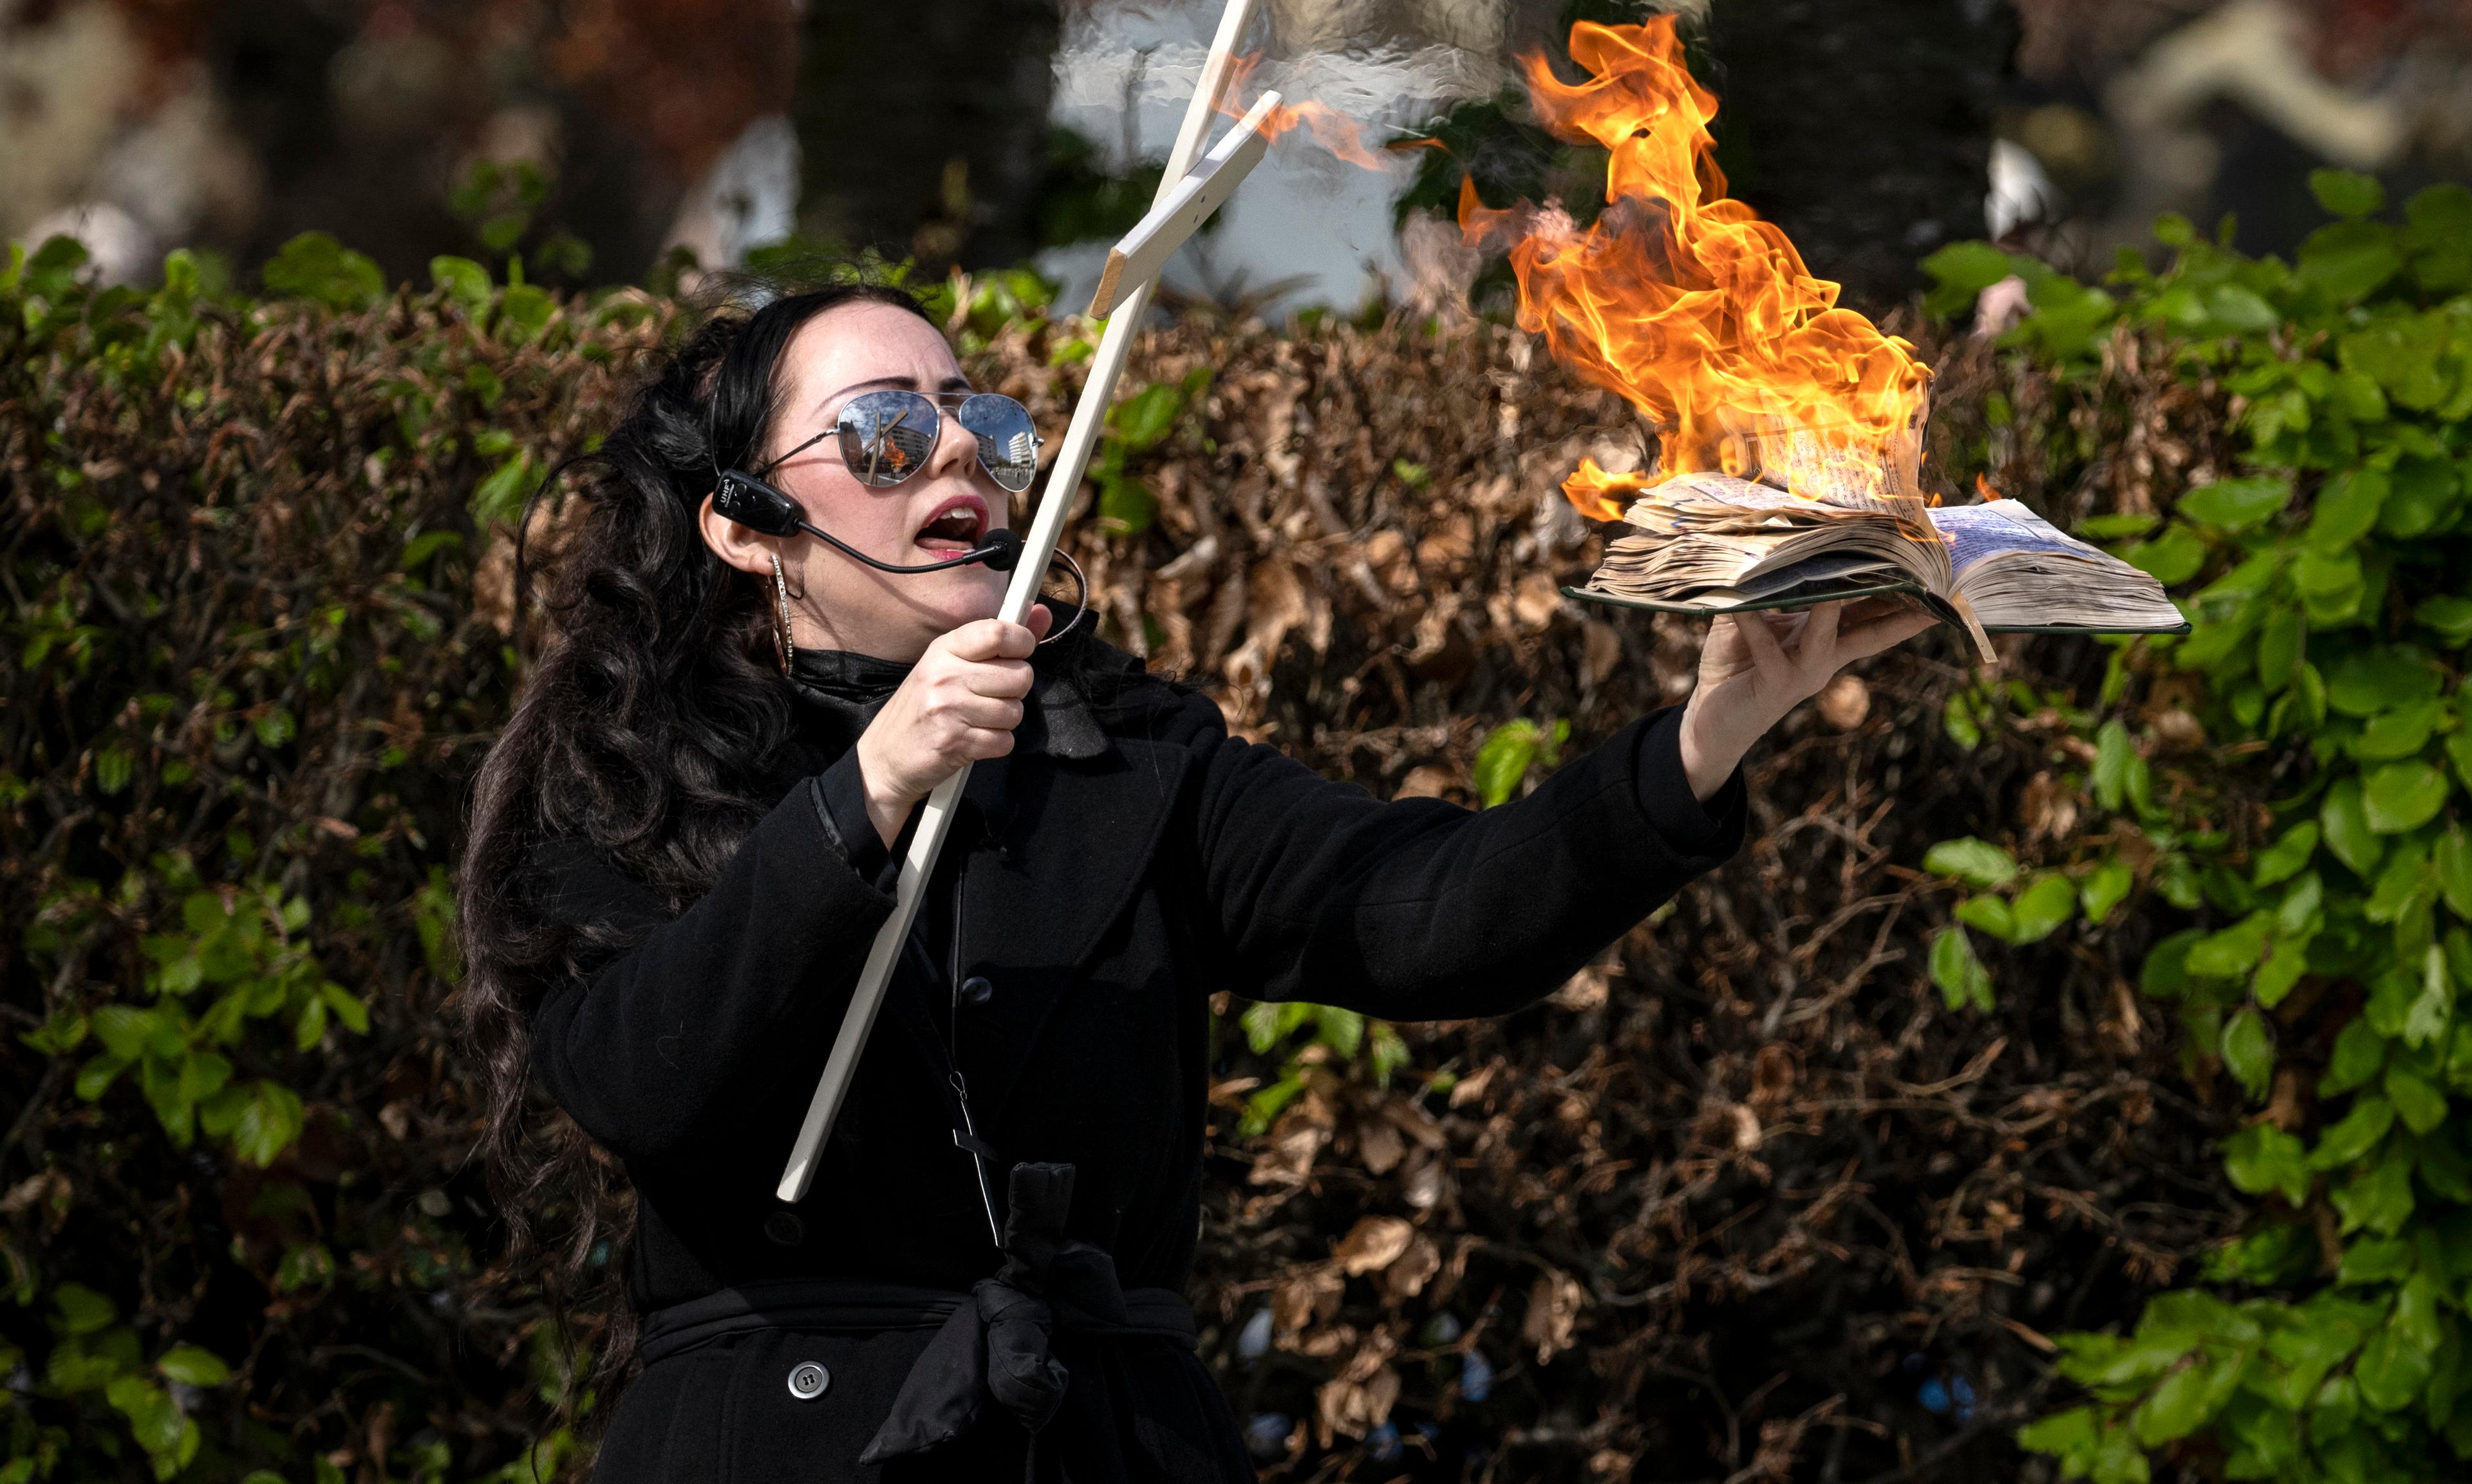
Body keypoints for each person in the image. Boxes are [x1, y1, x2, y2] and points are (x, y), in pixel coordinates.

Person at [456, 275, 1931, 1482]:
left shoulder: (1127, 751)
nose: (960, 451)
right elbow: (635, 1074)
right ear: (743, 521)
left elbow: (1425, 913)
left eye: (981, 423)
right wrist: (869, 792)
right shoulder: (626, 777)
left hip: (1103, 1443)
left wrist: (1707, 733)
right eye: (886, 435)